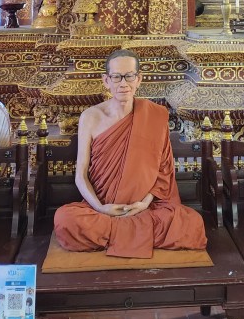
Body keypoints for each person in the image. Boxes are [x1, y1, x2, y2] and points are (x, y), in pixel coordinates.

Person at [54, 49, 207, 258]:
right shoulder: (90, 117)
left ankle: (116, 234)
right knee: (66, 220)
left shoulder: (155, 115)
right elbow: (81, 175)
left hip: (145, 207)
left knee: (192, 223)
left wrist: (144, 203)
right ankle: (136, 234)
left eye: (129, 76)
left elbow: (163, 172)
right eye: (116, 77)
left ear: (139, 79)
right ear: (106, 80)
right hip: (103, 208)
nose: (123, 83)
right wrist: (101, 208)